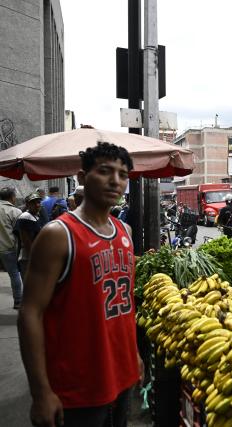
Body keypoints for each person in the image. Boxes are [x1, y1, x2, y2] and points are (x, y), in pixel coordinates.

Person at [17, 142, 143, 427]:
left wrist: (133, 353)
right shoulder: (57, 235)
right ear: (82, 178)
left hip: (121, 375)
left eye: (123, 174)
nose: (115, 180)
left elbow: (124, 306)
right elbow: (30, 313)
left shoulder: (126, 231)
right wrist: (40, 392)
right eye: (105, 171)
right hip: (77, 387)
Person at [0, 187, 24, 309]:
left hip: (2, 248)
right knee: (15, 274)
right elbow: (21, 233)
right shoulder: (15, 212)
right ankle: (18, 301)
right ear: (12, 197)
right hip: (10, 248)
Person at [16, 193, 44, 275]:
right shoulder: (25, 217)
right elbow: (27, 241)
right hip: (28, 258)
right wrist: (34, 258)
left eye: (38, 202)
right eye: (33, 203)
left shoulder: (36, 215)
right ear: (28, 205)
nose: (37, 205)